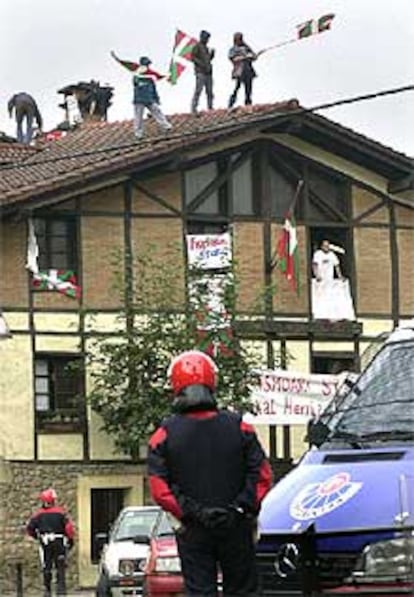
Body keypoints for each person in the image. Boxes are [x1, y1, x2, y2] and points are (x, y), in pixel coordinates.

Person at [148, 350, 272, 596]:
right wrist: (238, 508)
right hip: (236, 525)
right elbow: (262, 476)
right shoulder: (240, 426)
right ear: (212, 382)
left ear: (175, 385)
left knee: (199, 591)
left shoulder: (164, 434)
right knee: (243, 591)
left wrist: (193, 512)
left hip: (194, 529)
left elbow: (159, 488)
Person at [26, 488, 75, 597]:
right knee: (60, 565)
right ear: (53, 500)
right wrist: (71, 540)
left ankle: (47, 590)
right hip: (59, 542)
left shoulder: (38, 515)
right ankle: (61, 590)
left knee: (46, 566)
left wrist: (36, 537)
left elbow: (29, 528)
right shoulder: (61, 513)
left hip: (45, 542)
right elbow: (69, 528)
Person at [228, 32, 258, 108]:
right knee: (237, 88)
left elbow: (254, 56)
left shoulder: (246, 47)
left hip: (248, 70)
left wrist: (253, 56)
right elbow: (233, 58)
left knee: (248, 89)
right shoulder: (233, 49)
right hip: (239, 71)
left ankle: (248, 103)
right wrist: (244, 57)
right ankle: (231, 102)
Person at [190, 30, 215, 114]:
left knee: (210, 91)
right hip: (200, 72)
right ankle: (194, 108)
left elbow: (207, 60)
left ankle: (210, 107)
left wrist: (211, 56)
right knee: (198, 90)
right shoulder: (197, 46)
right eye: (206, 38)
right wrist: (202, 64)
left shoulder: (206, 48)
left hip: (208, 72)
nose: (207, 40)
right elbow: (193, 57)